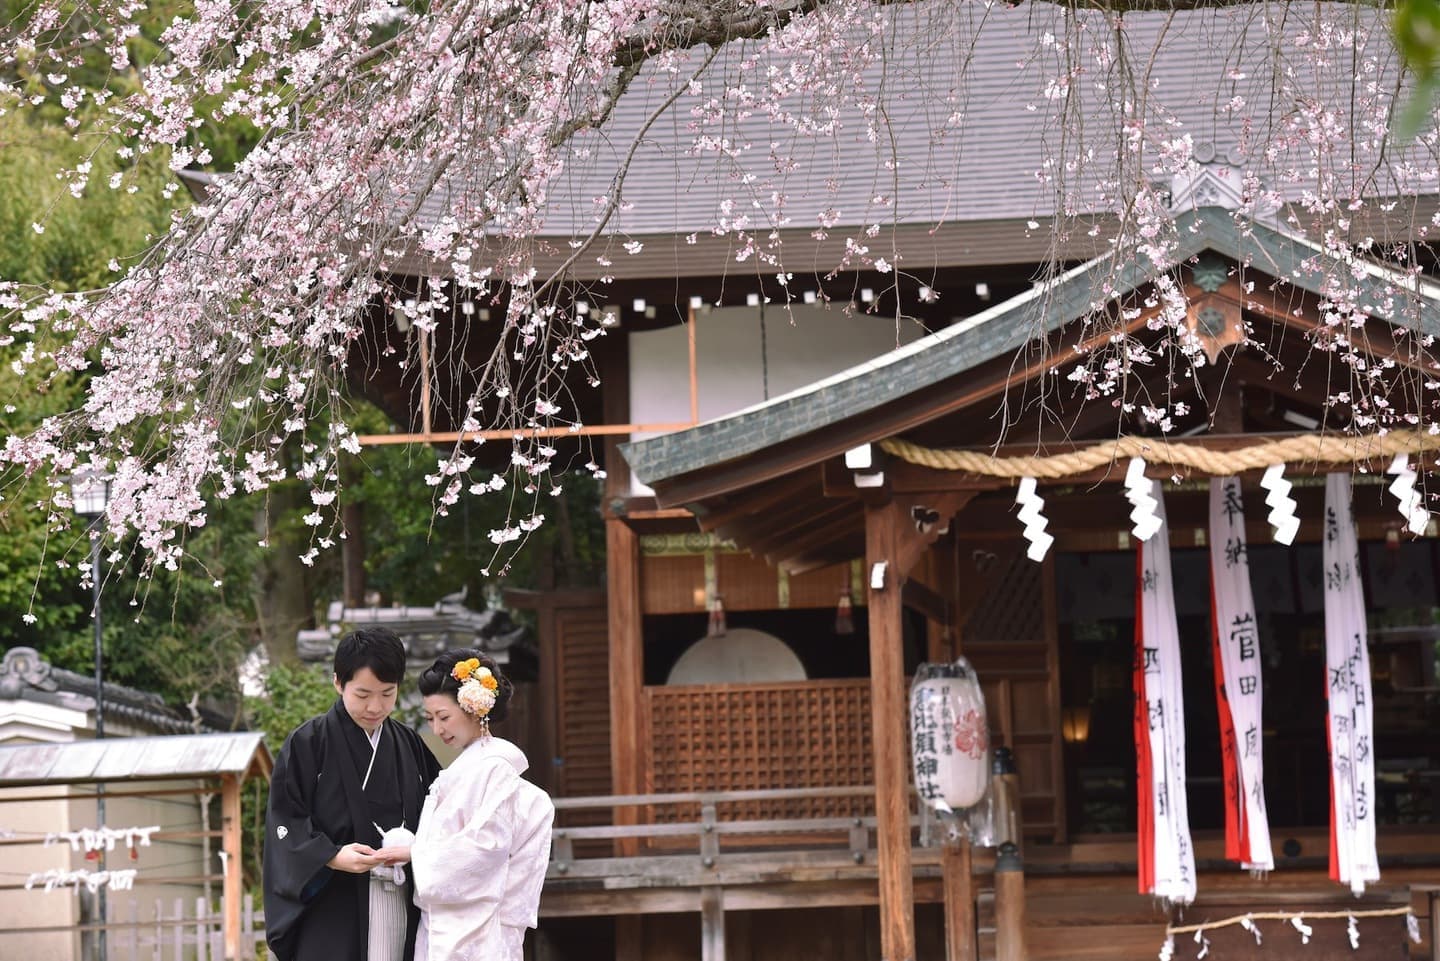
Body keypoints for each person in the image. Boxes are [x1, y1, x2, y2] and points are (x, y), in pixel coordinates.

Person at [264, 628, 442, 961]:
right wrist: (330, 856)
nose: (375, 706)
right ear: (338, 683)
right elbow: (286, 821)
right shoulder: (308, 743)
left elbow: (440, 813)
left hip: (401, 894)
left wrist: (415, 851)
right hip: (334, 900)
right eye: (363, 694)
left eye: (387, 694)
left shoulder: (409, 744)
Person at [378, 649, 554, 961]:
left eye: (443, 717)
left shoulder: (494, 769)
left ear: (475, 709)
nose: (437, 729)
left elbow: (486, 848)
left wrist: (415, 853)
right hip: (447, 924)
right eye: (430, 719)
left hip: (479, 930)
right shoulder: (469, 768)